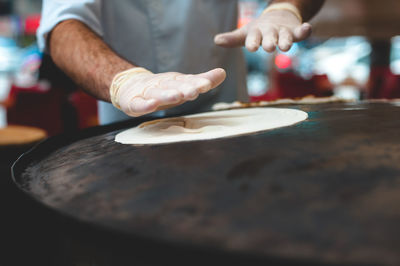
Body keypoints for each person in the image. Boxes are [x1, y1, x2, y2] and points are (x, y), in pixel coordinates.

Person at [38, 0, 324, 124]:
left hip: (225, 106)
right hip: (128, 116)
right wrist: (124, 80)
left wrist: (286, 7)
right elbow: (63, 26)